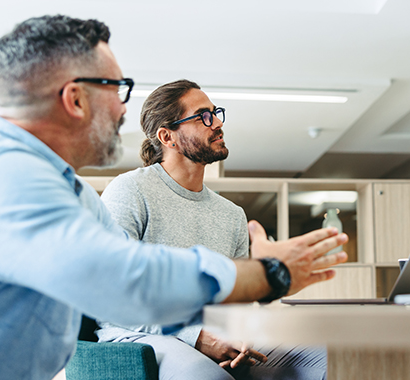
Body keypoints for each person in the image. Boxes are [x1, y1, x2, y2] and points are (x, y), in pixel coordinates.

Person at [0, 15, 348, 380]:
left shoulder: (70, 192)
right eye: (117, 88)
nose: (123, 110)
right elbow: (124, 281)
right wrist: (266, 272)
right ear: (75, 98)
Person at [96, 79, 327, 380]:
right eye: (203, 116)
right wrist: (198, 335)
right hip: (138, 332)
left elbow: (238, 302)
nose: (216, 122)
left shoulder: (231, 215)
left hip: (215, 333)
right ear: (168, 137)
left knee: (328, 360)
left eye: (216, 113)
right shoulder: (130, 191)